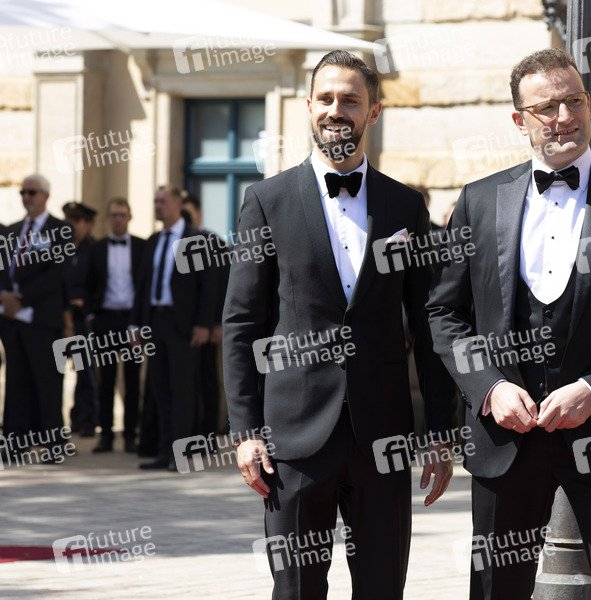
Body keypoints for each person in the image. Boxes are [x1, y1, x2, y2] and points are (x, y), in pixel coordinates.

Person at [427, 48, 591, 600]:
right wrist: (489, 387)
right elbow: (444, 314)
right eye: (546, 107)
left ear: (588, 103)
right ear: (519, 119)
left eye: (574, 101)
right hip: (504, 440)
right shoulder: (479, 201)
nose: (564, 117)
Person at [223, 50, 456, 600]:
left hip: (384, 435)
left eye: (350, 99)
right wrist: (246, 431)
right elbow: (242, 323)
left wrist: (440, 433)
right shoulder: (266, 201)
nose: (336, 110)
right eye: (325, 98)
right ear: (308, 106)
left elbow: (430, 323)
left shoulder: (406, 206)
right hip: (293, 438)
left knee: (382, 587)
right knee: (297, 591)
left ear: (373, 111)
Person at [131, 185, 214, 470]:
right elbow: (142, 286)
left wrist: (203, 324)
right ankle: (164, 452)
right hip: (155, 321)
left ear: (178, 204)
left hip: (183, 325)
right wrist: (136, 324)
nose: (157, 206)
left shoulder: (195, 239)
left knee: (182, 390)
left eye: (162, 201)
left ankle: (181, 454)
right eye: (155, 201)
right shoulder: (153, 240)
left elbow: (207, 286)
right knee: (160, 389)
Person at [0, 174, 74, 460]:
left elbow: (56, 273)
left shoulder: (61, 230)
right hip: (11, 319)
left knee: (47, 382)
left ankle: (53, 444)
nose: (26, 197)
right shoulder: (12, 230)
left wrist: (21, 299)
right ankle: (15, 443)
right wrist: (5, 296)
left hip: (41, 318)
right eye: (23, 192)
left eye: (31, 192)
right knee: (15, 381)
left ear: (45, 195)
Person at [84, 198, 147, 453]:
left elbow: (145, 286)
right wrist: (91, 315)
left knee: (132, 382)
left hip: (132, 321)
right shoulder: (97, 248)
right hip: (105, 320)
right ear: (108, 218)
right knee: (106, 382)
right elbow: (87, 284)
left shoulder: (142, 246)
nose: (118, 219)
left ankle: (130, 436)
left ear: (130, 217)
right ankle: (106, 435)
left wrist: (140, 322)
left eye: (122, 214)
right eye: (114, 215)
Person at [181, 192, 228, 439]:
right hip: (181, 328)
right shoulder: (175, 241)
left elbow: (222, 285)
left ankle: (209, 432)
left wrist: (217, 322)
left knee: (208, 379)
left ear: (199, 214)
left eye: (188, 214)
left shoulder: (214, 242)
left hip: (208, 327)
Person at [62, 201, 99, 438]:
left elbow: (97, 283)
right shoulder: (61, 249)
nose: (71, 225)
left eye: (76, 220)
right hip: (61, 316)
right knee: (57, 371)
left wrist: (84, 303)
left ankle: (87, 419)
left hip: (83, 318)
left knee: (86, 370)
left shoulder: (93, 249)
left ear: (88, 224)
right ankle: (68, 418)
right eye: (69, 220)